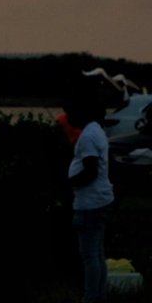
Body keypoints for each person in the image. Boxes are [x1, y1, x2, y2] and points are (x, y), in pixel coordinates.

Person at [66, 94, 115, 303]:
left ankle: (91, 297)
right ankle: (99, 296)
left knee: (89, 254)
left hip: (90, 203)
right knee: (97, 252)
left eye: (71, 112)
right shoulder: (96, 130)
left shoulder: (87, 136)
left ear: (83, 112)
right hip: (100, 200)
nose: (68, 117)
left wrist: (69, 182)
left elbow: (90, 171)